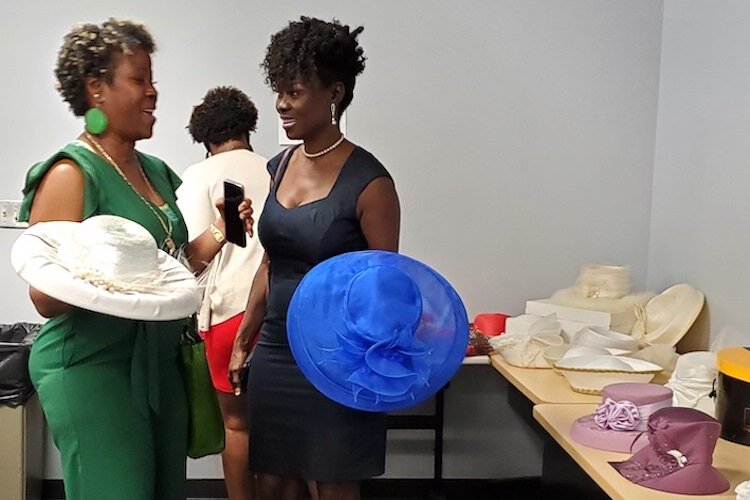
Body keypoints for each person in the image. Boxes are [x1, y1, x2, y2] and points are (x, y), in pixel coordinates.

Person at [18, 19, 253, 500]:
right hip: (94, 366)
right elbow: (44, 295)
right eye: (139, 80)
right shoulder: (70, 174)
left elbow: (172, 268)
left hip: (159, 365)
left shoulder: (153, 172)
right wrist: (115, 277)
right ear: (96, 89)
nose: (153, 94)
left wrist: (221, 231)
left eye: (153, 81)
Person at [228, 16, 401, 500]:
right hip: (279, 353)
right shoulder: (278, 166)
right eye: (279, 90)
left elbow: (383, 288)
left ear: (335, 93)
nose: (282, 103)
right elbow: (270, 261)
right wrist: (246, 338)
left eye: (296, 91)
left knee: (334, 485)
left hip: (339, 359)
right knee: (273, 484)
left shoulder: (371, 183)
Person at [178, 86, 269, 500]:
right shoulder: (279, 168)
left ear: (205, 139)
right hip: (283, 309)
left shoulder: (198, 177)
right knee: (281, 426)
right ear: (248, 127)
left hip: (228, 312)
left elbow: (191, 260)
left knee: (237, 426)